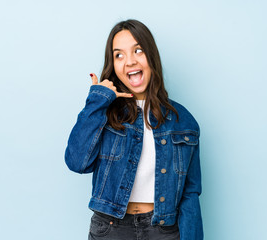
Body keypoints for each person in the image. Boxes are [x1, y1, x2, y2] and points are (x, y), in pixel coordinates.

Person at [65, 19, 203, 240]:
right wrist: (97, 101)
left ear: (151, 56)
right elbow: (77, 162)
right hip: (110, 229)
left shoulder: (182, 120)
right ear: (114, 65)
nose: (129, 61)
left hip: (163, 230)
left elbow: (190, 193)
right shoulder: (105, 113)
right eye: (119, 55)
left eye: (137, 50)